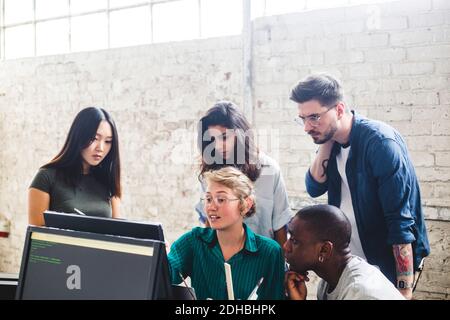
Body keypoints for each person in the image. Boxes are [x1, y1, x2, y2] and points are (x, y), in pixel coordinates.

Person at [289, 74, 430, 299]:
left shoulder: (380, 144)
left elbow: (400, 223)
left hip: (386, 260)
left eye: (314, 117)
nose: (307, 127)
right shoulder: (331, 141)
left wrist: (403, 289)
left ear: (340, 109)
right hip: (352, 260)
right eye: (302, 118)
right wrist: (325, 143)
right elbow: (315, 187)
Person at [168, 167, 286, 300]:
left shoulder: (270, 252)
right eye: (208, 199)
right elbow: (165, 275)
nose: (211, 207)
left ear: (246, 204)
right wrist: (159, 258)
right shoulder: (193, 241)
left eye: (221, 199)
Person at [196, 100, 292, 247]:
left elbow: (280, 227)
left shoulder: (270, 170)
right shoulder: (209, 174)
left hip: (263, 261)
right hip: (223, 261)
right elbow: (209, 223)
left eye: (224, 137)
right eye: (212, 139)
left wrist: (281, 266)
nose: (218, 146)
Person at [284, 204, 405, 300]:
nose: (285, 246)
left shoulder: (359, 292)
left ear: (324, 250)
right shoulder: (329, 281)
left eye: (294, 241)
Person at [28, 107, 121, 226]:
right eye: (94, 139)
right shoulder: (46, 177)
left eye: (108, 141)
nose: (101, 148)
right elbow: (37, 238)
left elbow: (117, 234)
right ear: (79, 137)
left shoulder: (108, 180)